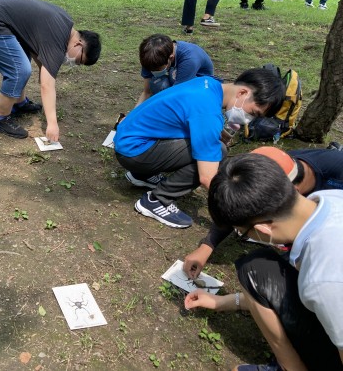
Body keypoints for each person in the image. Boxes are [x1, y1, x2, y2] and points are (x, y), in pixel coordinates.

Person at [185, 153, 343, 370]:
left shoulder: (324, 281)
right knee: (261, 269)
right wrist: (222, 302)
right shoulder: (330, 198)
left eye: (242, 232)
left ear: (263, 228)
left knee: (253, 270)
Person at [114, 69, 284, 228]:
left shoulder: (208, 84)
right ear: (243, 93)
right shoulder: (208, 112)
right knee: (219, 151)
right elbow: (207, 177)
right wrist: (240, 210)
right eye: (253, 113)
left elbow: (185, 118)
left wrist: (215, 132)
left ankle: (142, 175)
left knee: (210, 145)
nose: (248, 120)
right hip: (134, 152)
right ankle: (157, 200)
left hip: (128, 140)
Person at [183, 145, 343, 278]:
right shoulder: (276, 167)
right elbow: (239, 210)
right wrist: (207, 246)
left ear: (294, 192)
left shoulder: (335, 178)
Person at [0, 0, 101, 140]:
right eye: (79, 60)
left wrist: (46, 74)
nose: (74, 63)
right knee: (20, 70)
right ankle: (1, 119)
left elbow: (40, 57)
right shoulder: (58, 41)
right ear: (78, 44)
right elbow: (46, 85)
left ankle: (20, 103)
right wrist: (52, 124)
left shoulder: (65, 26)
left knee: (23, 61)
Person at [136, 34, 214, 106]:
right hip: (178, 84)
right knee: (157, 83)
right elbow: (147, 92)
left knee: (164, 87)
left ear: (171, 58)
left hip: (201, 88)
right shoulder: (149, 57)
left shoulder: (189, 60)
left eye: (157, 69)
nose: (153, 71)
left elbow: (176, 96)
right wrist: (131, 117)